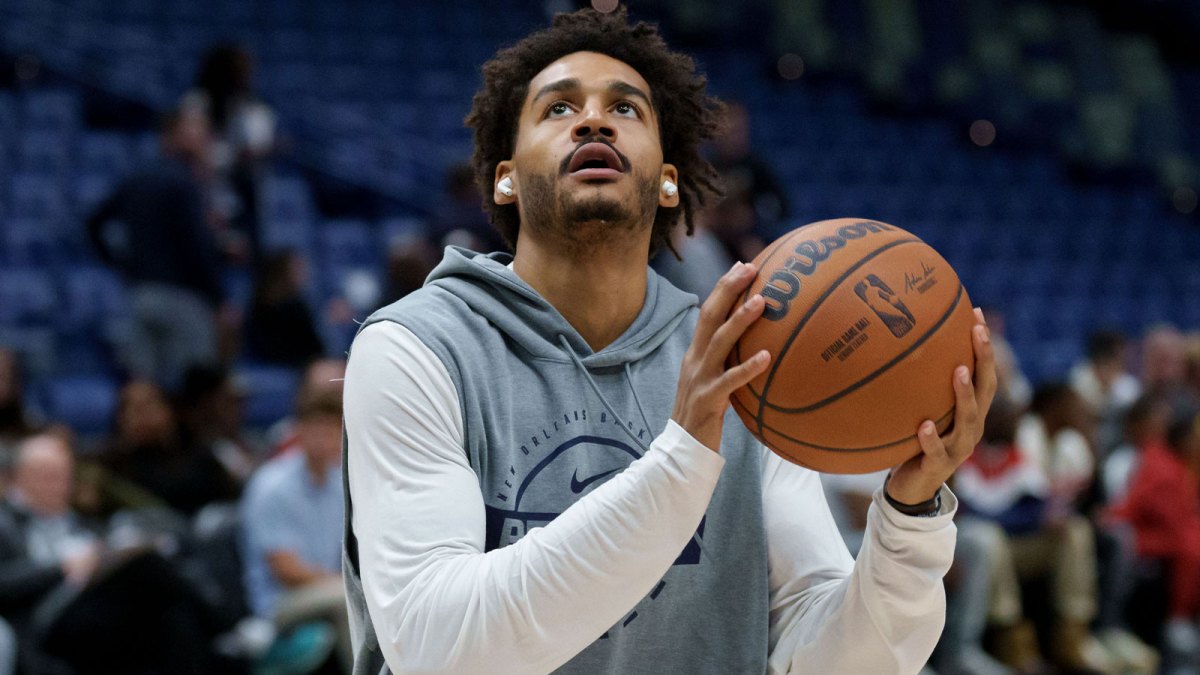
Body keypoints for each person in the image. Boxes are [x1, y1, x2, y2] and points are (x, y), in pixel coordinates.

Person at [341, 8, 994, 674]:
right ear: (505, 175)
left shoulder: (748, 355)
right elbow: (437, 647)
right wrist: (680, 461)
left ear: (668, 178)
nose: (593, 120)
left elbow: (831, 662)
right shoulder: (414, 347)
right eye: (558, 107)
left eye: (625, 109)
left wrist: (911, 518)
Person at [0, 433, 222, 675]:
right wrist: (62, 567)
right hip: (49, 616)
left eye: (65, 476)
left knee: (170, 612)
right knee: (150, 570)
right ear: (15, 479)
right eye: (48, 476)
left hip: (98, 607)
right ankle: (222, 622)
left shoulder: (78, 520)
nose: (60, 485)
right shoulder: (6, 523)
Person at [86, 107, 233, 392]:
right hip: (185, 299)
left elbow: (93, 224)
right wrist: (219, 299)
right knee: (192, 389)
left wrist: (121, 264)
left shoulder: (137, 178)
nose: (204, 139)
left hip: (140, 295)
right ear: (171, 136)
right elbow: (196, 247)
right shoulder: (186, 183)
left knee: (146, 391)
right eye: (195, 131)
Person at [241, 388, 349, 673]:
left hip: (327, 591)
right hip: (278, 605)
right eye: (319, 429)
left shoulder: (339, 484)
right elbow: (286, 571)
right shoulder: (272, 486)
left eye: (334, 429)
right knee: (350, 599)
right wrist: (346, 582)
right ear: (300, 431)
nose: (327, 438)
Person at [244, 250, 326, 367]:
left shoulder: (299, 306)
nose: (303, 274)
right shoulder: (259, 305)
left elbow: (315, 347)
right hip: (278, 364)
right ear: (281, 272)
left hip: (304, 364)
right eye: (297, 269)